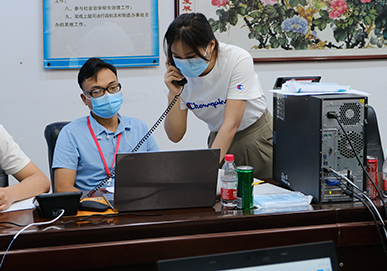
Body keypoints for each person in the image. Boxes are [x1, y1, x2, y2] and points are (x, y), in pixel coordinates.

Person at [163, 13, 273, 179]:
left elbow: (231, 124)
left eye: (191, 56)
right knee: (221, 193)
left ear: (211, 45)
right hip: (219, 140)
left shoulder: (237, 59)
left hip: (255, 136)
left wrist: (206, 171)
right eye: (177, 57)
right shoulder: (178, 75)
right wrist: (174, 94)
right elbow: (175, 135)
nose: (184, 63)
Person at [52, 57, 159, 192]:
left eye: (113, 88)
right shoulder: (71, 134)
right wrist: (97, 200)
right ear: (84, 99)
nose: (107, 95)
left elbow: (159, 173)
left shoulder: (139, 128)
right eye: (97, 91)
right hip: (90, 204)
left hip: (135, 200)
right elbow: (62, 188)